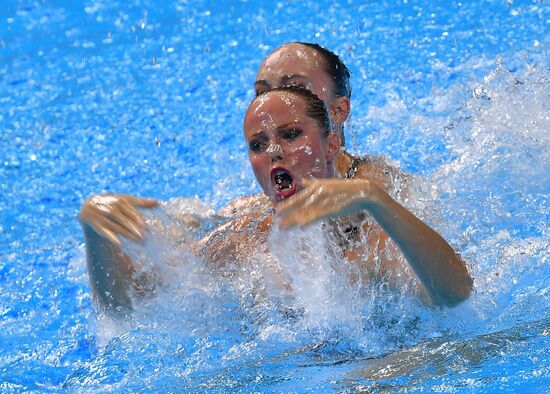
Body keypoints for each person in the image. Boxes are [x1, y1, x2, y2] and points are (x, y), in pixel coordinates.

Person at [80, 86, 472, 316]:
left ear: (331, 143)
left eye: (290, 134)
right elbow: (129, 304)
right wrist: (98, 233)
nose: (273, 151)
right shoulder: (247, 233)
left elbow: (455, 296)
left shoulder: (368, 228)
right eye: (258, 144)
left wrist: (376, 201)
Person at [218, 42, 404, 217]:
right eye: (262, 93)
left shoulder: (384, 190)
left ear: (339, 110)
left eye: (295, 88)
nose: (274, 101)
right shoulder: (253, 210)